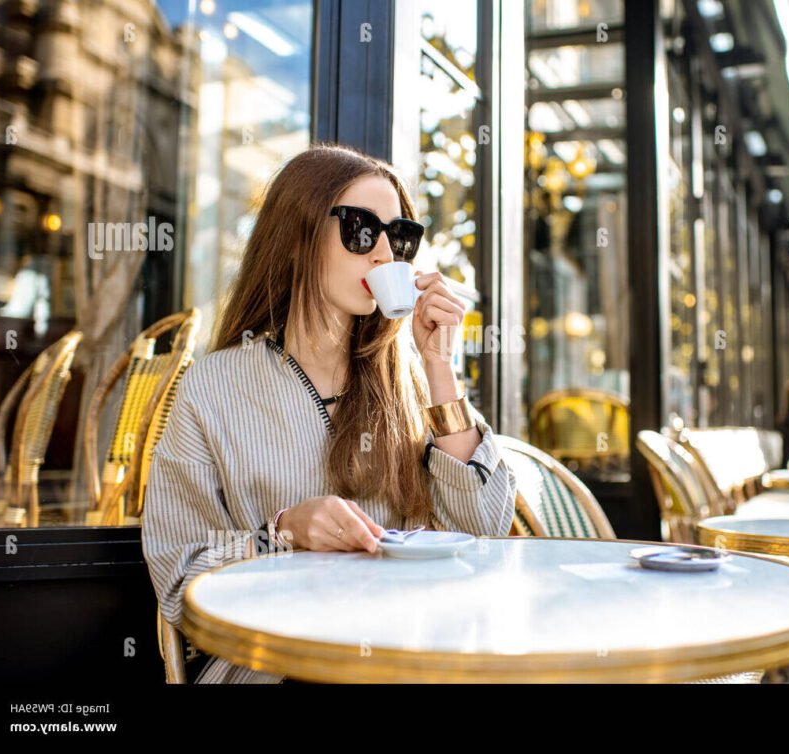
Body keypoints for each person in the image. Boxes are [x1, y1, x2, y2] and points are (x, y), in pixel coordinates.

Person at [141, 143, 517, 684]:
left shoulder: (411, 383)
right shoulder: (213, 387)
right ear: (298, 238)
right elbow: (178, 583)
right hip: (276, 662)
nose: (385, 254)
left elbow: (484, 531)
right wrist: (282, 533)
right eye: (362, 230)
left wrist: (439, 367)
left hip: (408, 653)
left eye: (401, 237)